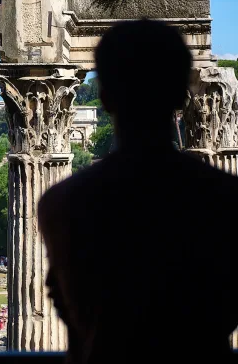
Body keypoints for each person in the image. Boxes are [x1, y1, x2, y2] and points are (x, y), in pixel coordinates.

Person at [38, 19, 238, 364]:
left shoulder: (64, 204)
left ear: (105, 97)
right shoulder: (228, 199)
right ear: (180, 93)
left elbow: (74, 318)